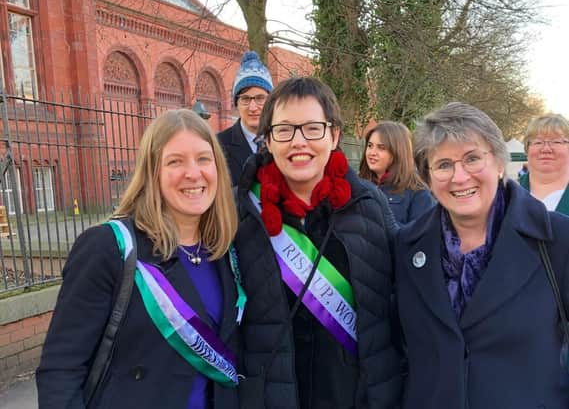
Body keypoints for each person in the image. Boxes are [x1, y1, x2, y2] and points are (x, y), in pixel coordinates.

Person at [36, 109, 242, 408]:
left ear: (218, 169)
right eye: (175, 161)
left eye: (203, 158)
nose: (193, 173)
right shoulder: (109, 247)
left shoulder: (226, 251)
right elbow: (61, 369)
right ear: (152, 172)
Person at [234, 77, 402, 409]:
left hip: (356, 395)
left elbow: (399, 302)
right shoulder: (239, 212)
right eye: (284, 130)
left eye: (312, 128)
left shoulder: (370, 205)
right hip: (272, 396)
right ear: (267, 139)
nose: (299, 142)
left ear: (334, 135)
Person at [395, 102, 569, 408]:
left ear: (500, 163)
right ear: (428, 176)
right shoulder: (406, 246)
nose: (459, 177)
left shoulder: (557, 239)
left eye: (472, 158)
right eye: (444, 164)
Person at [359, 120, 435, 224]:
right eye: (370, 146)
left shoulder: (418, 193)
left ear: (398, 151)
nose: (372, 153)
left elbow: (421, 236)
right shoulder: (359, 184)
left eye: (381, 148)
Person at [218, 50, 273, 185]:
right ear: (236, 103)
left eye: (260, 98)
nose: (253, 107)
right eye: (245, 99)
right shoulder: (218, 145)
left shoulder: (284, 140)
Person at [521, 114, 569, 215]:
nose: (546, 149)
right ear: (527, 148)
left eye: (556, 142)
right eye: (538, 142)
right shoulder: (505, 193)